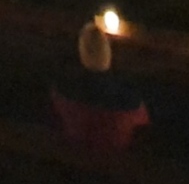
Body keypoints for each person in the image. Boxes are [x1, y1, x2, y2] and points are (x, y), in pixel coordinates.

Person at [49, 20, 150, 154]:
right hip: (116, 164)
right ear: (109, 55)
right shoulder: (129, 97)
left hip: (74, 159)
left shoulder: (64, 90)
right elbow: (143, 128)